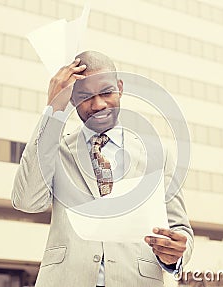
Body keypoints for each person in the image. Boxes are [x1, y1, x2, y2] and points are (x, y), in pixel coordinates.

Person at [12, 51, 194, 287]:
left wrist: (174, 254)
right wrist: (52, 112)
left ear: (120, 87)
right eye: (85, 96)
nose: (98, 105)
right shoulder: (54, 150)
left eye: (107, 92)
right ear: (72, 98)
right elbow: (26, 201)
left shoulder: (158, 155)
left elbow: (180, 230)